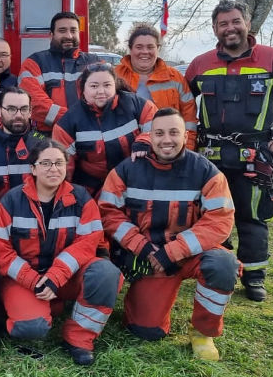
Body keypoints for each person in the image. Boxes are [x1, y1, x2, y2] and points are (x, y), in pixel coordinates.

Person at [185, 0, 273, 302]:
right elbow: (181, 102)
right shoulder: (200, 64)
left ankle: (254, 277)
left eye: (235, 21)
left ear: (247, 23)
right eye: (222, 24)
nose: (230, 28)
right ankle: (221, 271)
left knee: (253, 216)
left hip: (255, 155)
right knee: (213, 215)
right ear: (215, 29)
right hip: (211, 156)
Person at [98, 108, 239, 360]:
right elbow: (108, 213)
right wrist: (141, 247)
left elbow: (219, 220)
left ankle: (203, 332)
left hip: (191, 254)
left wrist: (174, 251)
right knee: (146, 330)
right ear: (149, 137)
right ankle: (149, 303)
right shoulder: (126, 170)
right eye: (160, 133)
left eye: (174, 133)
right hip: (152, 259)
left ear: (186, 137)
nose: (167, 140)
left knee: (223, 264)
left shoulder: (206, 172)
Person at [0, 139, 121, 365]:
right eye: (46, 163)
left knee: (106, 273)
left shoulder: (82, 199)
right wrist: (34, 281)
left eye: (59, 163)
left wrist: (55, 277)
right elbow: (2, 252)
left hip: (66, 277)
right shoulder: (11, 201)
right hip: (24, 280)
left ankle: (80, 338)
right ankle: (48, 306)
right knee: (30, 328)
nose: (54, 169)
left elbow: (88, 243)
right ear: (32, 168)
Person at [53, 62, 157, 198]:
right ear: (82, 89)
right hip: (92, 190)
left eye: (107, 85)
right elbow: (63, 166)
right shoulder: (68, 123)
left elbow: (158, 126)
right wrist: (66, 196)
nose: (101, 91)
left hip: (135, 181)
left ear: (115, 86)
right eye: (94, 86)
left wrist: (144, 141)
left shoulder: (135, 104)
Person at [114, 23, 198, 149]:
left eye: (150, 47)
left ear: (158, 48)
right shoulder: (115, 76)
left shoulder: (175, 77)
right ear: (130, 49)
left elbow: (189, 117)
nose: (145, 52)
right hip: (125, 151)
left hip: (168, 149)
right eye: (139, 47)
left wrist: (187, 148)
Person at [19, 11, 101, 135]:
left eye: (73, 31)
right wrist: (75, 120)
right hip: (45, 136)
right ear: (51, 35)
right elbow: (35, 103)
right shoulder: (34, 63)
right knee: (34, 143)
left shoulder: (95, 62)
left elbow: (108, 95)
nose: (69, 36)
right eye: (62, 31)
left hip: (89, 133)